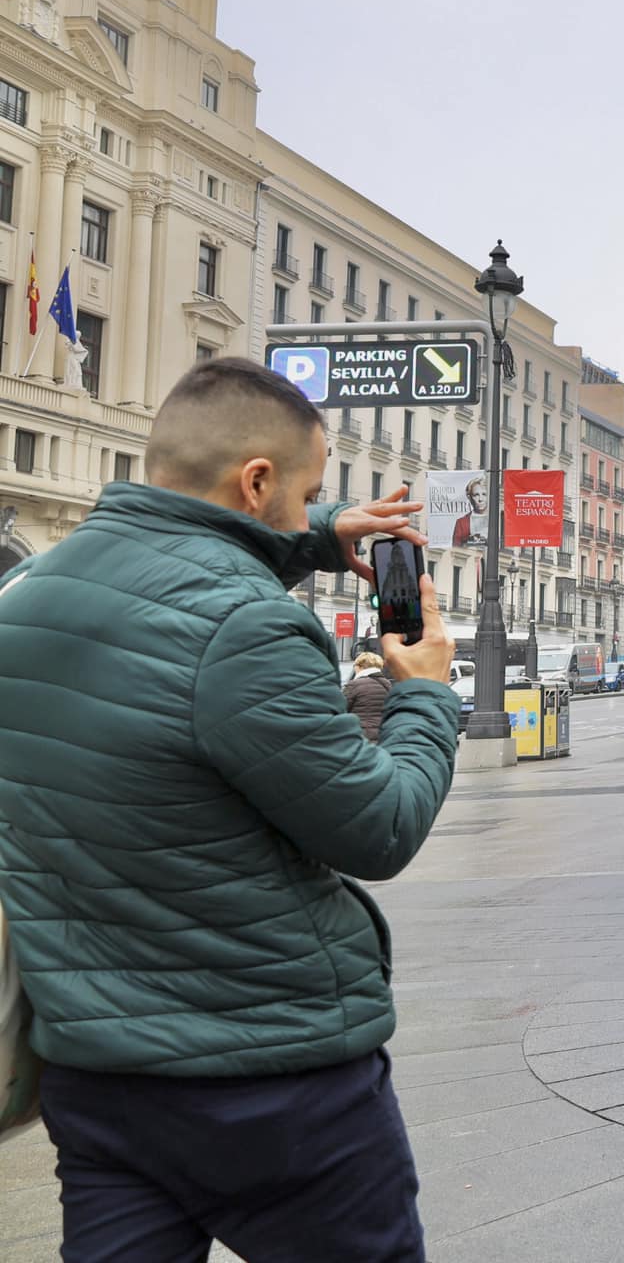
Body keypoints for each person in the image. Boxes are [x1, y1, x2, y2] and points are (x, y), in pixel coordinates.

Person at [0, 357, 460, 1261]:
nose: (309, 510)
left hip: (97, 1077)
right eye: (307, 492)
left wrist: (322, 530)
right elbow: (379, 828)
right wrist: (426, 696)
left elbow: (182, 551)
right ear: (256, 480)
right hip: (273, 1079)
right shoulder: (247, 626)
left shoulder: (26, 598)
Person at [343, 651, 391, 742]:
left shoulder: (355, 685)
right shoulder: (387, 684)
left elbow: (341, 709)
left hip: (360, 735)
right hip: (382, 734)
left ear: (360, 666)